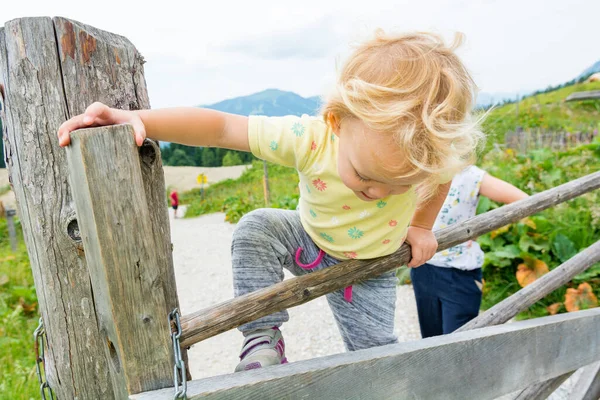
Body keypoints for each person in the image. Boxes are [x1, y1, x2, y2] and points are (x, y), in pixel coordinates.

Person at [57, 31, 483, 372]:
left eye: (399, 186)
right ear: (336, 122)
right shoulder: (312, 138)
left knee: (375, 356)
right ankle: (262, 338)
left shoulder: (426, 160)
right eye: (367, 177)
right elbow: (223, 128)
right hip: (309, 241)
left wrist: (421, 226)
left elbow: (443, 180)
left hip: (372, 267)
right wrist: (142, 120)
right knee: (257, 225)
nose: (378, 194)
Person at [410, 166, 528, 338]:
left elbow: (522, 200)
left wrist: (478, 228)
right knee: (429, 342)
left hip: (458, 273)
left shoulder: (469, 175)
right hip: (422, 267)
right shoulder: (418, 168)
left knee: (458, 344)